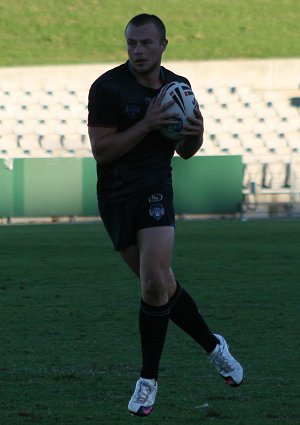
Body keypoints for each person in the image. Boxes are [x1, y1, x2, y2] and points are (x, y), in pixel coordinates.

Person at [88, 13, 244, 418]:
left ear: (163, 45)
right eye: (131, 44)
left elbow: (187, 151)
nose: (138, 51)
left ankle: (147, 380)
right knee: (160, 287)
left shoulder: (179, 88)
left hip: (156, 191)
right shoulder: (106, 88)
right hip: (115, 197)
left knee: (154, 282)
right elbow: (102, 151)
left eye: (145, 43)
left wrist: (197, 132)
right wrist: (147, 123)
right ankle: (214, 345)